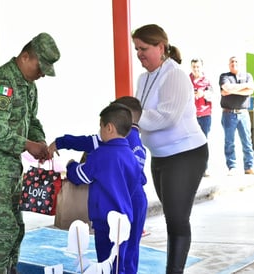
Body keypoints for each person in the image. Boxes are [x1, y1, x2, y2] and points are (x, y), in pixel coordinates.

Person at [0, 32, 60, 274]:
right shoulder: (3, 83)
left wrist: (39, 139)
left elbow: (31, 119)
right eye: (40, 67)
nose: (42, 74)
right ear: (26, 56)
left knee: (15, 229)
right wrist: (28, 145)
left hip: (9, 172)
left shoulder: (28, 86)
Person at [132, 24, 208, 274]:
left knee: (176, 218)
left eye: (143, 48)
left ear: (160, 47)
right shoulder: (143, 78)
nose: (139, 54)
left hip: (185, 154)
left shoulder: (174, 74)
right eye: (136, 49)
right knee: (172, 218)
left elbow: (166, 117)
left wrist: (131, 116)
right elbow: (141, 115)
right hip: (161, 157)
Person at [65, 103, 146, 274]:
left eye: (100, 126)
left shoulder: (100, 155)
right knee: (119, 262)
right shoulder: (131, 156)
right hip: (124, 219)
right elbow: (134, 183)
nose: (99, 131)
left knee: (105, 262)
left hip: (104, 220)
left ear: (109, 128)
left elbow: (81, 176)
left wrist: (71, 166)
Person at [219, 56, 254, 175]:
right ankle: (232, 167)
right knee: (229, 142)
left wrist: (231, 90)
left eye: (236, 61)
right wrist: (243, 88)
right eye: (231, 62)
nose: (234, 63)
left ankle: (249, 167)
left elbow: (251, 90)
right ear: (228, 64)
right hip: (228, 114)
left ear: (240, 64)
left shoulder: (248, 76)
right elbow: (226, 87)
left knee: (247, 141)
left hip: (244, 114)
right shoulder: (224, 76)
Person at [190, 58, 214, 176]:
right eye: (194, 67)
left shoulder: (207, 81)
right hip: (190, 117)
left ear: (202, 67)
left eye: (198, 67)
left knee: (203, 142)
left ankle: (204, 168)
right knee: (190, 142)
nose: (196, 69)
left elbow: (212, 96)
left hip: (205, 116)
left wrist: (203, 93)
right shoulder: (187, 80)